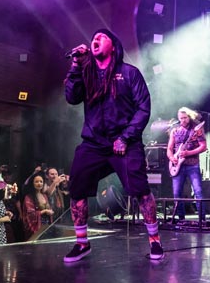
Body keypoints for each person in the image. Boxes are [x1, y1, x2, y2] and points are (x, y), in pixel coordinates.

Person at [63, 28, 162, 262]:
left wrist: (125, 137)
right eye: (93, 37)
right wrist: (76, 65)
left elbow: (143, 108)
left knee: (140, 190)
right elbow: (71, 97)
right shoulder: (86, 73)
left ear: (113, 46)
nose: (95, 39)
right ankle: (82, 243)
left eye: (102, 37)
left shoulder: (129, 73)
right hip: (94, 142)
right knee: (76, 188)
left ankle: (155, 240)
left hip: (124, 141)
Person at [166, 107, 207, 221]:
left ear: (189, 117)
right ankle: (181, 220)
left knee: (198, 192)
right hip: (177, 166)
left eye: (185, 118)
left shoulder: (196, 129)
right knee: (177, 194)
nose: (183, 120)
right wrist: (172, 157)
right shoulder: (175, 130)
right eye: (181, 118)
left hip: (193, 165)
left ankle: (202, 220)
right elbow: (169, 149)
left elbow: (203, 146)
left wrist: (189, 153)